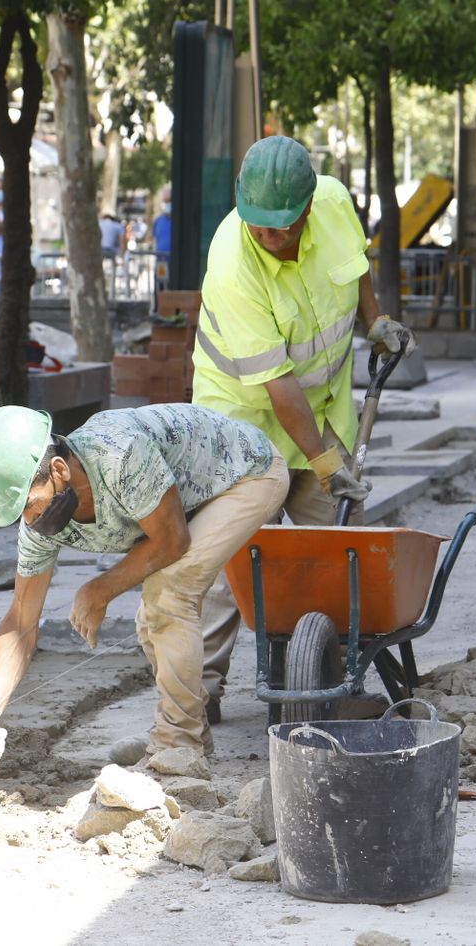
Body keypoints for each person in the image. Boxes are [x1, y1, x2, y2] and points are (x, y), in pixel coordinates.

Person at [190, 135, 412, 721]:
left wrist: (377, 319)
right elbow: (277, 386)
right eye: (258, 225)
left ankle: (332, 678)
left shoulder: (335, 202)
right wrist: (324, 462)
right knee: (229, 554)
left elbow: (354, 267)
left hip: (321, 407)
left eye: (280, 227)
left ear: (309, 207)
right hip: (242, 418)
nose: (268, 237)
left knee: (340, 550)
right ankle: (200, 691)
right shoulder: (233, 262)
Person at [0, 404, 288, 776]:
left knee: (167, 595)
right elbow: (21, 619)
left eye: (31, 504)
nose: (31, 519)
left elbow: (172, 541)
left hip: (244, 476)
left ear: (58, 469)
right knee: (152, 618)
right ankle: (179, 732)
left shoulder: (120, 455)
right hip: (185, 495)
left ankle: (178, 743)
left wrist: (99, 590)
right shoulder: (39, 523)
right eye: (20, 511)